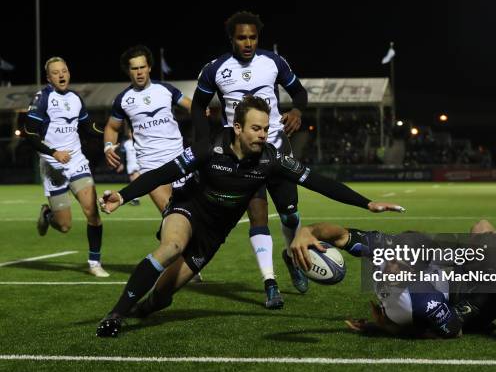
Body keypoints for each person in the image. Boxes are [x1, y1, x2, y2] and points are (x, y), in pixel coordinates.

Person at [95, 96, 404, 337]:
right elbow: (164, 173)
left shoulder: (271, 159)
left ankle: (146, 306)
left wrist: (366, 204)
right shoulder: (210, 147)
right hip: (188, 209)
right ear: (238, 128)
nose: (263, 134)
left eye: (266, 128)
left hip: (214, 233)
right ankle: (115, 315)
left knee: (161, 298)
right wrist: (123, 195)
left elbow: (319, 182)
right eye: (256, 128)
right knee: (172, 246)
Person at [192, 11, 309, 308]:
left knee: (290, 215)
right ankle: (270, 283)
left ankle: (291, 256)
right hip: (243, 158)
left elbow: (299, 93)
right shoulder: (215, 69)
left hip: (277, 148)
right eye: (242, 37)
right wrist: (205, 142)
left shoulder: (273, 62)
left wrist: (296, 111)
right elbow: (197, 106)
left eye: (253, 37)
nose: (248, 43)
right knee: (257, 218)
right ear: (231, 38)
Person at [290, 220, 496, 338]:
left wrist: (382, 327)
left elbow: (453, 331)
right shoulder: (385, 250)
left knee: (473, 321)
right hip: (453, 265)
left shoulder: (422, 301)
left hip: (492, 291)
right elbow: (341, 234)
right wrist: (308, 231)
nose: (390, 266)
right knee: (481, 226)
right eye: (392, 258)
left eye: (401, 265)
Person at [25, 57, 108, 277]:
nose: (61, 75)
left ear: (69, 73)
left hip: (77, 162)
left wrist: (108, 133)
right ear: (48, 77)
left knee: (92, 212)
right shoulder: (42, 98)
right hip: (53, 166)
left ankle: (94, 263)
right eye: (55, 72)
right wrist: (53, 153)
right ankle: (48, 214)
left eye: (64, 71)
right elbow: (30, 133)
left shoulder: (75, 98)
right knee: (64, 226)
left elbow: (87, 126)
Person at [103, 45, 192, 212]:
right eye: (134, 68)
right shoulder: (123, 100)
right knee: (171, 214)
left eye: (142, 67)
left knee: (191, 213)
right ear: (128, 71)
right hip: (150, 164)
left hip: (179, 158)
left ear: (149, 67)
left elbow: (191, 106)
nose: (139, 72)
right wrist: (108, 146)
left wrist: (202, 112)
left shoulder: (166, 89)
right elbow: (112, 127)